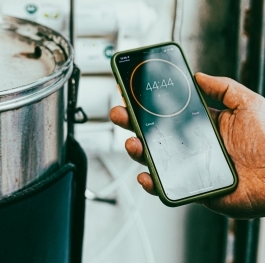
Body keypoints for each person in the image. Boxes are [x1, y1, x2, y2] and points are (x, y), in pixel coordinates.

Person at [109, 72, 265, 219]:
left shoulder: (206, 126)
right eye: (156, 94)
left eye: (168, 91)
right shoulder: (158, 136)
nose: (163, 98)